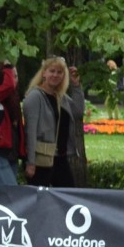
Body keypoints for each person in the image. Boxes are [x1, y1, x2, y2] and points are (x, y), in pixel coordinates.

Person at [22, 56, 85, 188]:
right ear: (44, 73)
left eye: (59, 72)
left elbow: (78, 112)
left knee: (68, 196)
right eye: (52, 71)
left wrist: (76, 86)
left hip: (60, 158)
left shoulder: (60, 96)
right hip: (41, 160)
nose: (55, 75)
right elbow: (30, 131)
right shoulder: (35, 96)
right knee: (40, 199)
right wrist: (30, 162)